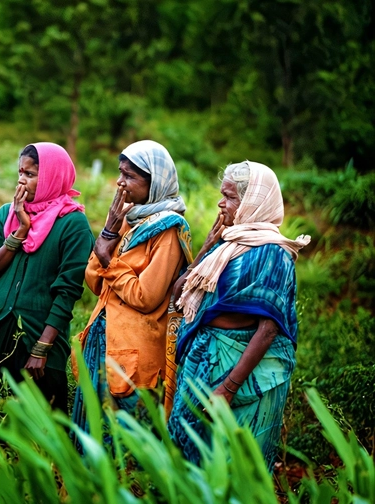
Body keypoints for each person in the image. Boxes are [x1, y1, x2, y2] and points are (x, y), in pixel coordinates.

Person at [168, 161, 310, 469]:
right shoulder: (227, 245)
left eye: (230, 196)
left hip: (238, 364)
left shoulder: (272, 253)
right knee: (191, 451)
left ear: (252, 201)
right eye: (223, 195)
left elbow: (269, 329)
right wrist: (207, 245)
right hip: (205, 357)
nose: (221, 203)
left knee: (233, 459)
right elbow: (179, 295)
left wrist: (228, 387)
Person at [70, 140, 192, 447]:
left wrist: (109, 259)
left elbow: (145, 296)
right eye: (120, 173)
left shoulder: (167, 231)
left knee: (125, 441)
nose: (120, 183)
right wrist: (109, 233)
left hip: (135, 352)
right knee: (94, 434)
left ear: (154, 184)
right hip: (105, 340)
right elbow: (96, 282)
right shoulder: (130, 219)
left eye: (130, 176)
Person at [0, 142, 93, 411]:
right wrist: (19, 231)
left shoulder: (72, 224)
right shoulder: (8, 215)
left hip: (38, 345)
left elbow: (68, 291)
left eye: (30, 174)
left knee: (37, 432)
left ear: (52, 176)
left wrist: (42, 348)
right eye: (20, 172)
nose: (20, 179)